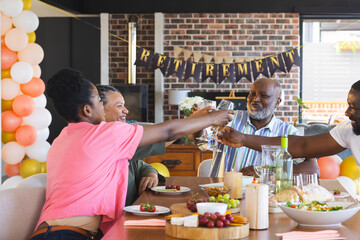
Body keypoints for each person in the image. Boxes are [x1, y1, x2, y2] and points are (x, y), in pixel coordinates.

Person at [29, 68, 232, 240]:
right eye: (99, 101)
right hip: (72, 235)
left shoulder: (59, 140)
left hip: (44, 232)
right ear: (87, 110)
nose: (101, 104)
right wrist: (213, 117)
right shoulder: (106, 133)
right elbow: (168, 131)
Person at [189, 78, 318, 177]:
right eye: (252, 94)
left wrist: (266, 173)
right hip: (222, 196)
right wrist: (197, 121)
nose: (255, 99)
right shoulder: (228, 118)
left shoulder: (287, 131)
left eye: (264, 96)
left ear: (277, 102)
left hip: (267, 199)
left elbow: (313, 169)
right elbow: (198, 140)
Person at [218, 80, 360, 166]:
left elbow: (311, 167)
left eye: (354, 107)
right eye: (252, 94)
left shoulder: (285, 128)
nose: (346, 113)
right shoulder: (348, 129)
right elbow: (301, 146)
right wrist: (243, 139)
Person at [96, 85, 167, 206]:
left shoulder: (121, 138)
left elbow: (140, 165)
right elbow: (167, 135)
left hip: (130, 212)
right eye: (119, 106)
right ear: (100, 109)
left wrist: (151, 174)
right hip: (114, 219)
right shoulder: (103, 140)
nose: (126, 111)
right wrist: (196, 121)